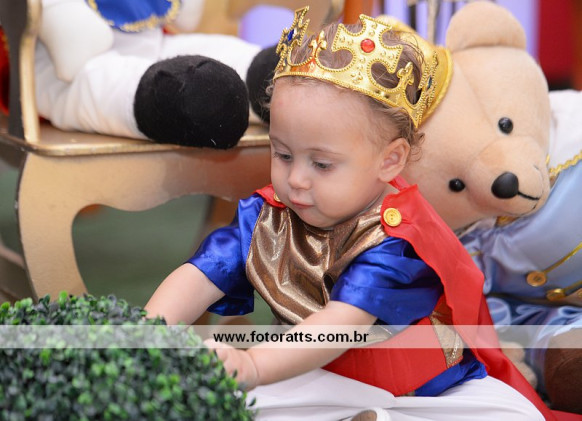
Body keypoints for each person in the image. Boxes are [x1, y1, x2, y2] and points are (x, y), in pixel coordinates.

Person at [145, 7, 550, 420]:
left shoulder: (395, 239)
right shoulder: (269, 215)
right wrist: (148, 332)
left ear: (390, 161)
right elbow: (201, 274)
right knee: (215, 404)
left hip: (417, 386)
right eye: (282, 154)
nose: (296, 179)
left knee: (515, 416)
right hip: (313, 370)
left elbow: (342, 323)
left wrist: (253, 365)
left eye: (321, 164)